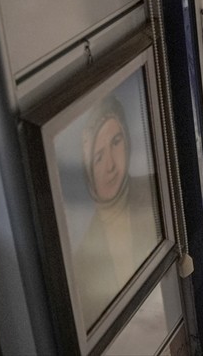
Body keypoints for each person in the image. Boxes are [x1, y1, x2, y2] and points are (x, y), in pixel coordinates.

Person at [73, 96, 160, 327]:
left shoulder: (158, 192)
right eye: (98, 156)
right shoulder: (81, 263)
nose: (110, 165)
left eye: (116, 141)